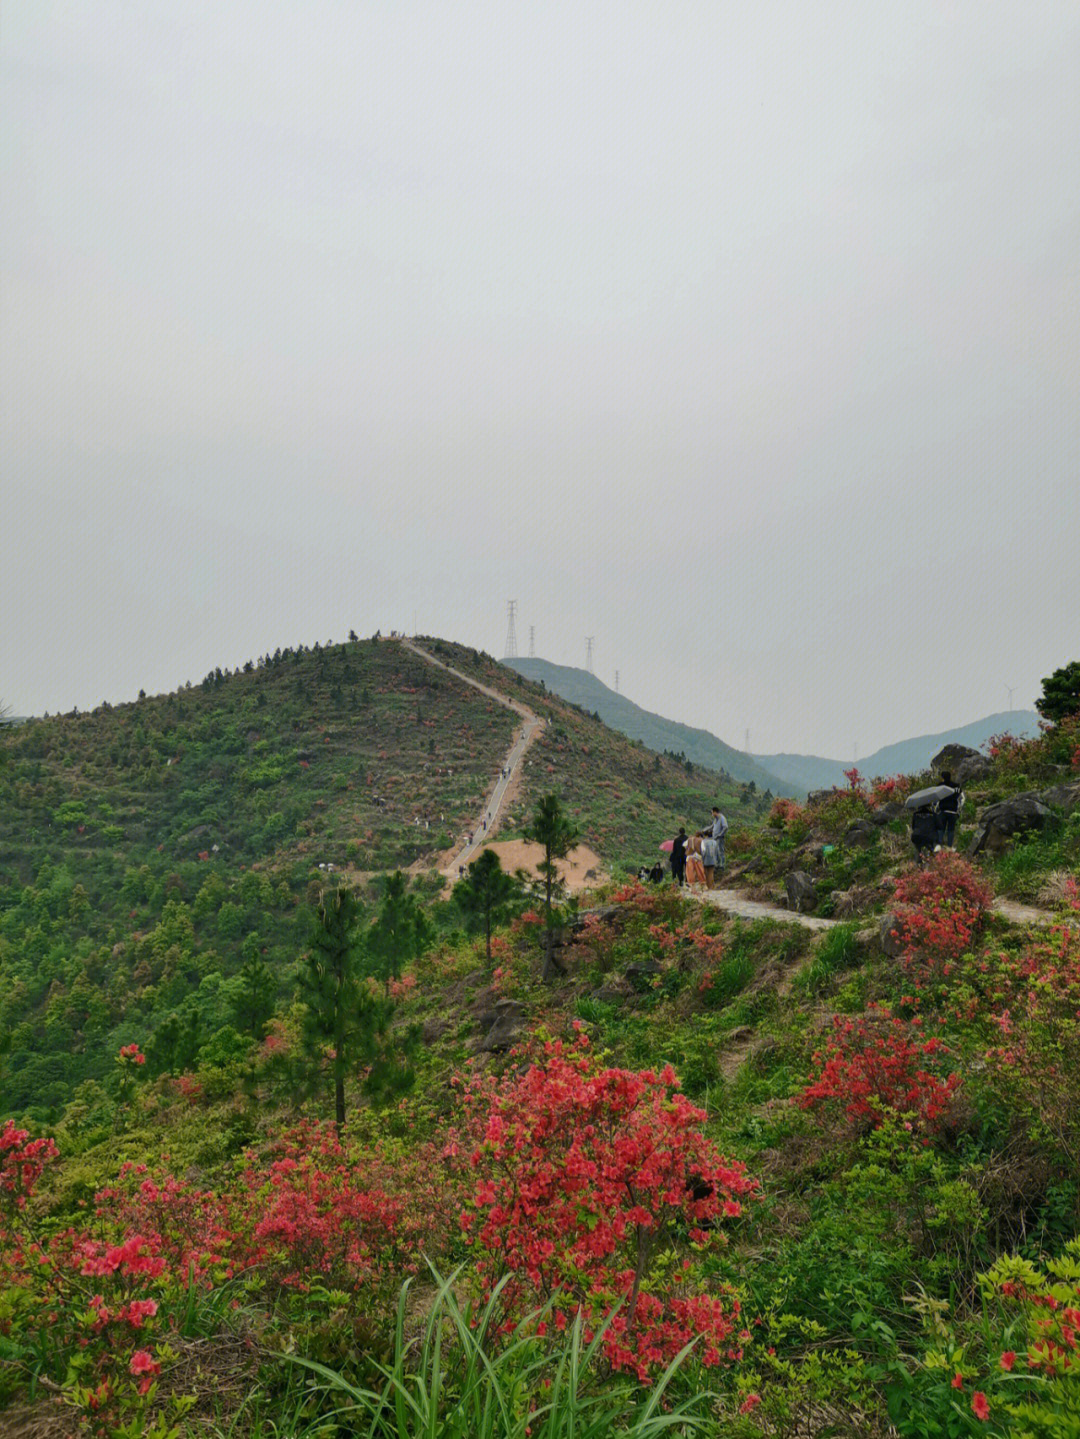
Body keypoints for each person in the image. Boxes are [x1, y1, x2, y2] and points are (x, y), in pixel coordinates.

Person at [937, 771, 963, 848]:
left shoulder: (940, 786)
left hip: (943, 811)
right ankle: (949, 847)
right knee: (951, 830)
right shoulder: (956, 786)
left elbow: (936, 798)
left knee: (941, 829)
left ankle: (939, 846)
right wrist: (959, 809)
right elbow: (961, 798)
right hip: (953, 811)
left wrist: (935, 808)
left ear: (942, 777)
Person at [709, 807, 728, 873]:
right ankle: (717, 865)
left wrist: (720, 834)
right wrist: (704, 830)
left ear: (715, 812)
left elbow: (725, 827)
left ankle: (722, 865)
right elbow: (712, 826)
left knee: (720, 851)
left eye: (712, 812)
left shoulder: (722, 818)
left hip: (719, 838)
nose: (712, 814)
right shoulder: (715, 819)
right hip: (715, 838)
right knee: (715, 852)